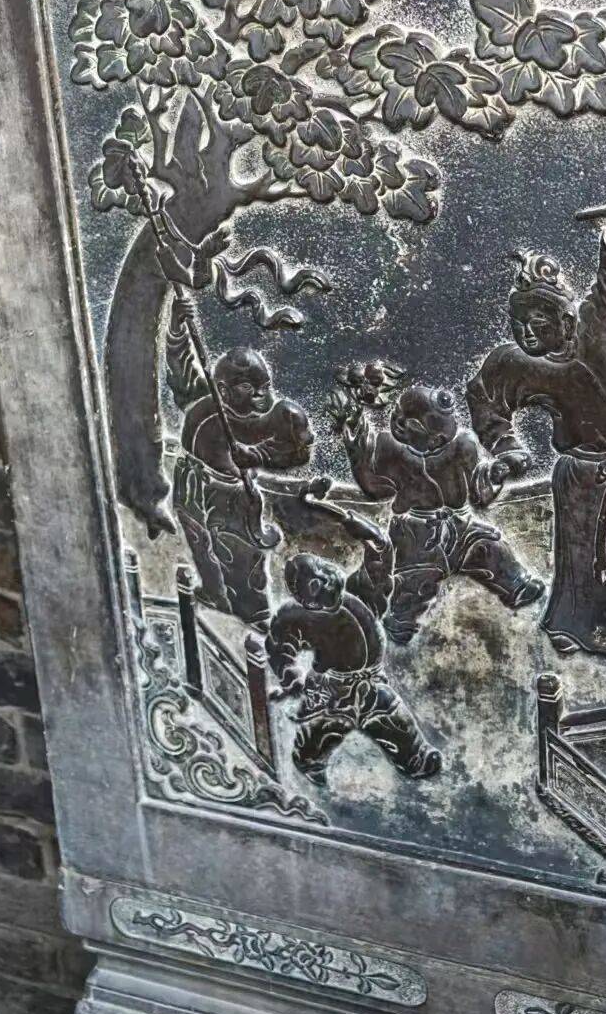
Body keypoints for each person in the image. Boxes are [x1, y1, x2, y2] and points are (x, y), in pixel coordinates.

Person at [467, 197, 606, 657]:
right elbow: (485, 398)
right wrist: (506, 446)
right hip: (581, 472)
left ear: (565, 317)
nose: (526, 333)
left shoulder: (603, 322)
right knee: (579, 556)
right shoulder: (516, 363)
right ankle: (571, 627)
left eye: (537, 322)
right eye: (518, 324)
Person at [336, 379, 544, 644]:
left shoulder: (464, 445)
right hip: (416, 533)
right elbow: (374, 485)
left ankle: (517, 585)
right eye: (432, 438)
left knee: (490, 546)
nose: (437, 443)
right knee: (415, 580)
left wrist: (495, 472)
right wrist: (357, 443)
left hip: (462, 524)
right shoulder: (389, 448)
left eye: (441, 440)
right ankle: (400, 622)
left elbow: (477, 486)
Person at [265, 492, 442, 785]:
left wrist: (333, 511)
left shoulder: (361, 592)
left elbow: (380, 546)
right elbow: (279, 646)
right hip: (332, 690)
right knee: (321, 734)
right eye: (314, 584)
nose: (325, 580)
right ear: (305, 599)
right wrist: (289, 676)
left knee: (396, 722)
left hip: (372, 685)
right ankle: (307, 762)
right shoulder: (296, 617)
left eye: (323, 570)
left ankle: (416, 761)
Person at [166, 297, 312, 627]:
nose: (260, 394)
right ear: (223, 389)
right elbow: (181, 368)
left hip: (231, 495)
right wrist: (176, 328)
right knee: (199, 543)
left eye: (264, 386)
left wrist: (256, 455)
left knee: (240, 555)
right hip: (191, 482)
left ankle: (255, 615)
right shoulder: (205, 401)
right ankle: (215, 593)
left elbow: (296, 452)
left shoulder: (272, 419)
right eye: (248, 386)